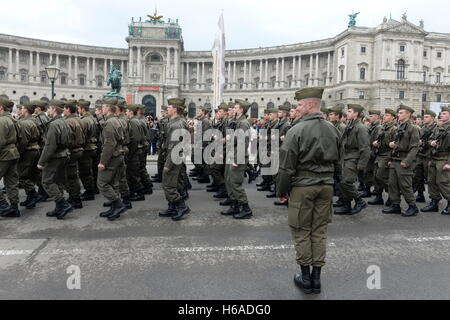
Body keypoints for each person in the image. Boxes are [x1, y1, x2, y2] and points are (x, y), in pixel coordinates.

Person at [277, 88, 341, 294]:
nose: (296, 109)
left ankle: (305, 278)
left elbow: (286, 166)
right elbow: (340, 161)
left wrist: (282, 190)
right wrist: (334, 184)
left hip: (303, 186)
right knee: (320, 231)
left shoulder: (296, 130)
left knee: (302, 230)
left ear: (311, 105)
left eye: (299, 105)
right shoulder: (333, 129)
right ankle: (317, 279)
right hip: (326, 186)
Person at [382, 104, 420, 217]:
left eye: (401, 113)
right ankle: (395, 205)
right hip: (395, 159)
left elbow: (414, 147)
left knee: (405, 185)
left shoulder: (413, 128)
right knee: (392, 184)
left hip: (404, 159)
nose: (398, 115)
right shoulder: (399, 127)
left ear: (408, 114)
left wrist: (407, 160)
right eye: (398, 113)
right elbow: (398, 143)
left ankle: (413, 206)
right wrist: (392, 152)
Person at [37, 100, 73, 219]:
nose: (48, 111)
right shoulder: (64, 122)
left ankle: (63, 204)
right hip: (64, 155)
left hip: (55, 156)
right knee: (58, 182)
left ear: (54, 109)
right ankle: (59, 207)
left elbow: (50, 146)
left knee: (47, 181)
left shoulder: (54, 124)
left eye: (49, 109)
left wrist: (41, 162)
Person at [334, 104, 370, 215]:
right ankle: (347, 205)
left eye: (350, 111)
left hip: (354, 158)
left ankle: (359, 200)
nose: (347, 113)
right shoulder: (350, 125)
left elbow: (365, 147)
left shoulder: (360, 127)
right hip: (346, 157)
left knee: (346, 182)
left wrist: (362, 164)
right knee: (343, 182)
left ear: (356, 113)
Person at [159, 98, 191, 221]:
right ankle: (172, 207)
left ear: (176, 109)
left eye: (170, 107)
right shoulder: (173, 122)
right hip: (173, 156)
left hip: (174, 158)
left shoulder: (177, 124)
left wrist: (168, 164)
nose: (167, 109)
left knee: (168, 185)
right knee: (173, 184)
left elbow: (175, 147)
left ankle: (181, 207)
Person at [220, 99, 253, 219]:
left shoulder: (243, 123)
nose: (233, 109)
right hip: (232, 154)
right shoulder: (237, 122)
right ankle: (235, 205)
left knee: (236, 184)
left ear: (241, 110)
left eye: (236, 107)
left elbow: (242, 143)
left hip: (237, 157)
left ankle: (246, 208)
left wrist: (237, 159)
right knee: (229, 181)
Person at [97, 97, 127, 221]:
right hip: (118, 154)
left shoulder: (110, 123)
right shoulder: (116, 120)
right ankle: (114, 207)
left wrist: (103, 162)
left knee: (102, 183)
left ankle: (118, 205)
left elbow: (109, 144)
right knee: (113, 183)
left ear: (109, 108)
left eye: (103, 106)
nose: (101, 109)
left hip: (112, 156)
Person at [421, 107, 450, 215]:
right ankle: (434, 201)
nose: (441, 115)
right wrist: (431, 142)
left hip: (445, 158)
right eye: (441, 113)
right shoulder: (438, 127)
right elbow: (429, 140)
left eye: (444, 113)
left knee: (443, 182)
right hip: (434, 158)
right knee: (431, 181)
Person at [369, 108, 398, 206]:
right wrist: (376, 143)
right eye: (384, 115)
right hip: (379, 155)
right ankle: (378, 197)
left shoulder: (394, 129)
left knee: (382, 176)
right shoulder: (382, 127)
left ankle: (392, 196)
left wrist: (391, 159)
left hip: (387, 155)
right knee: (375, 177)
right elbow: (379, 140)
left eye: (387, 115)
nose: (384, 117)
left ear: (393, 118)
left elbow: (395, 145)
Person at [17, 102, 41, 210]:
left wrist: (19, 154)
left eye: (22, 108)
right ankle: (30, 198)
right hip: (35, 149)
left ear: (26, 110)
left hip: (28, 151)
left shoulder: (25, 123)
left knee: (22, 175)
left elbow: (23, 142)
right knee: (31, 174)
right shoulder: (35, 120)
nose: (21, 110)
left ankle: (32, 194)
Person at [0, 98, 21, 217]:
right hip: (14, 153)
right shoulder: (12, 120)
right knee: (11, 182)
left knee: (11, 182)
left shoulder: (2, 121)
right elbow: (21, 138)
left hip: (4, 155)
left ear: (1, 107)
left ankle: (3, 206)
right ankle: (14, 208)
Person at [63, 100, 85, 209]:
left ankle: (75, 198)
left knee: (71, 176)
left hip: (72, 150)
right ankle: (75, 196)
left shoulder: (69, 121)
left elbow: (67, 139)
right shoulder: (79, 119)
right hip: (78, 149)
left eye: (64, 108)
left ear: (68, 109)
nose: (63, 111)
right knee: (73, 174)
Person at [414, 109, 437, 203]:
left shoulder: (436, 128)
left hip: (429, 155)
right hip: (420, 154)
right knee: (418, 176)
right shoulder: (422, 128)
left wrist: (426, 143)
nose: (424, 118)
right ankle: (420, 194)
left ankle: (434, 198)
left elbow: (436, 142)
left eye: (427, 117)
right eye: (424, 117)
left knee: (430, 178)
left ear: (432, 118)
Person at [77, 100, 98, 201]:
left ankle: (89, 192)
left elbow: (82, 137)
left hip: (87, 148)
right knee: (90, 171)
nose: (78, 110)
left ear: (82, 109)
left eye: (79, 108)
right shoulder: (92, 118)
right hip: (92, 147)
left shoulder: (84, 120)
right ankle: (92, 189)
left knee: (85, 172)